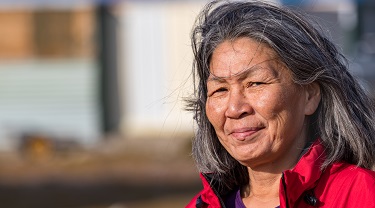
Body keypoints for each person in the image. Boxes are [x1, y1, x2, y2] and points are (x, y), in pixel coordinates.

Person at [185, 0, 375, 207]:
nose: (234, 109)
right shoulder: (202, 205)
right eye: (220, 89)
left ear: (310, 95)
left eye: (255, 83)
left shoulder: (360, 195)